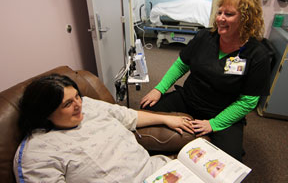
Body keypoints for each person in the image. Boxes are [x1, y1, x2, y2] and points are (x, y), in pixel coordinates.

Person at [140, 0, 271, 161]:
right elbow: (181, 65)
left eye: (229, 14)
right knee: (145, 112)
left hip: (222, 111)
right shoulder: (204, 37)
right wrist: (159, 89)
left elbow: (248, 101)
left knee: (228, 162)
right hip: (189, 98)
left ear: (246, 20)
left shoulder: (257, 55)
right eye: (219, 12)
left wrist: (213, 124)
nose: (220, 18)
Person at [13, 74, 194, 183]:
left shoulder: (88, 105)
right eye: (68, 103)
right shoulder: (36, 155)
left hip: (157, 172)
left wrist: (165, 119)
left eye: (77, 96)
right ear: (45, 113)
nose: (78, 105)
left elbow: (128, 116)